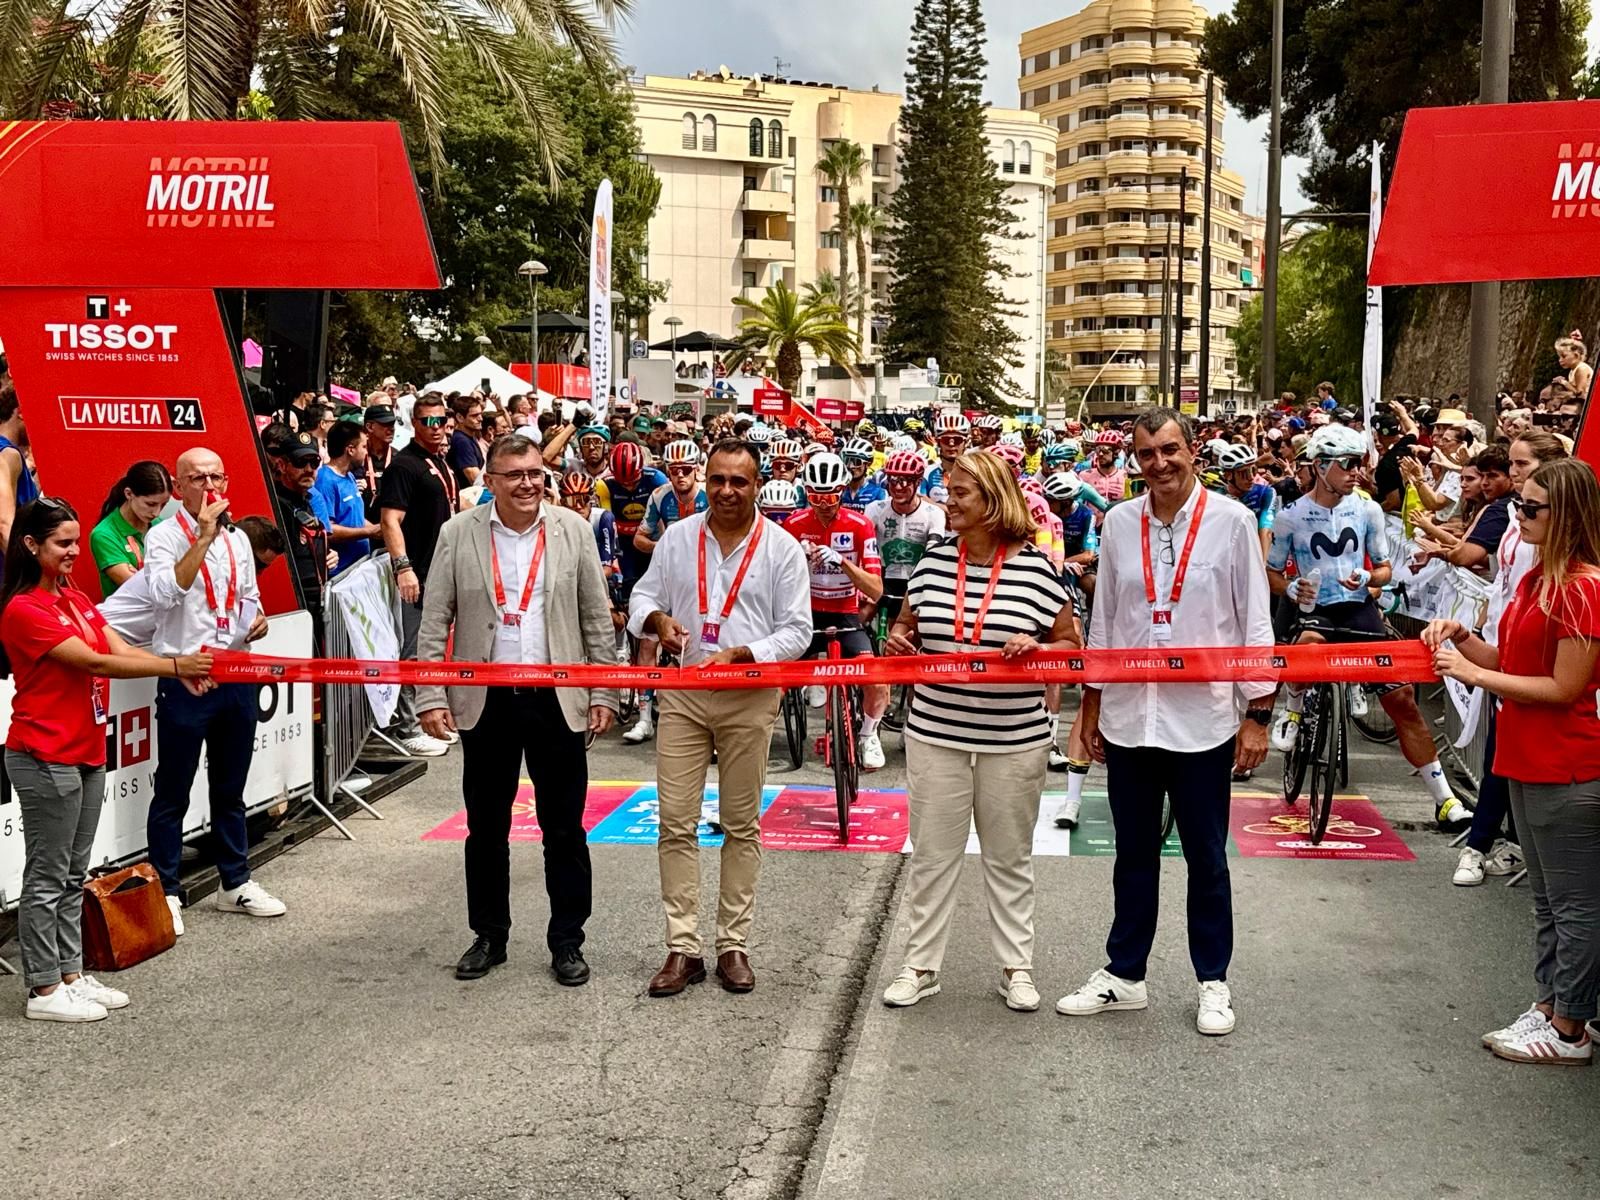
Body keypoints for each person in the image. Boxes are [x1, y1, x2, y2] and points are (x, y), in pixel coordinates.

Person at [1058, 408, 1273, 1038]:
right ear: (1136, 459)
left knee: (1206, 856)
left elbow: (1254, 622)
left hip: (1202, 720)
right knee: (1133, 853)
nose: (1159, 464)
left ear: (1192, 451)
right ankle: (1125, 974)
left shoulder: (1233, 523)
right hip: (1129, 718)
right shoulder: (1119, 523)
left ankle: (1213, 981)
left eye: (1170, 450)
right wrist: (1090, 706)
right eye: (1147, 454)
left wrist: (1257, 714)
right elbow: (1106, 623)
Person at [414, 434, 618, 984]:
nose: (527, 483)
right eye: (514, 475)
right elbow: (435, 621)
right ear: (491, 481)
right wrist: (431, 694)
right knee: (485, 827)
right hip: (487, 702)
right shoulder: (458, 534)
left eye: (534, 473)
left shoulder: (573, 530)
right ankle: (489, 935)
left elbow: (596, 618)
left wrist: (604, 691)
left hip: (557, 699)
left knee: (565, 829)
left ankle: (567, 941)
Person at [0, 498, 213, 1021]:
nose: (76, 552)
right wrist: (175, 664)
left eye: (77, 541)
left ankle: (70, 974)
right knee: (47, 875)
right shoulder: (23, 609)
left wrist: (175, 668)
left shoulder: (73, 597)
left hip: (87, 750)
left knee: (74, 871)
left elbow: (118, 645)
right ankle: (44, 990)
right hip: (44, 753)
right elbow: (95, 661)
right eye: (63, 543)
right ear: (31, 544)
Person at [879, 451, 1077, 1013]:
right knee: (932, 855)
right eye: (949, 490)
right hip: (935, 731)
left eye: (961, 492)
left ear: (992, 499)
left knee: (1008, 856)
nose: (949, 500)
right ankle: (920, 966)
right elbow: (905, 625)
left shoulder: (1039, 568)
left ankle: (1017, 967)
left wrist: (1039, 648)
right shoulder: (934, 560)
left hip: (1014, 738)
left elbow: (1071, 646)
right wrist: (900, 643)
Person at [1427, 458, 1600, 1065]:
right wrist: (1461, 637)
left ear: (1568, 517)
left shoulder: (1582, 588)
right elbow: (1509, 658)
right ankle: (1554, 1004)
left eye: (1531, 508)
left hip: (1567, 764)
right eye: (1519, 505)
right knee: (1549, 901)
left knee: (1574, 904)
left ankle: (1570, 1025)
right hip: (1525, 758)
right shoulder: (1535, 582)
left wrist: (1475, 672)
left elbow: (1563, 688)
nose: (1518, 516)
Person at [627, 439, 812, 998]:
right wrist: (658, 620)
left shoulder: (781, 548)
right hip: (683, 695)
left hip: (749, 695)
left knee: (740, 823)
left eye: (740, 481)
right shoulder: (679, 538)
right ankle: (682, 949)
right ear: (705, 482)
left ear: (758, 485)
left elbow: (797, 631)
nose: (727, 491)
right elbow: (641, 598)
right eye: (718, 481)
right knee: (675, 823)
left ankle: (733, 944)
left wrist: (743, 654)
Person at [1268, 424, 1473, 830]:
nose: (1356, 472)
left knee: (1402, 701)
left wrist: (1368, 580)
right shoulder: (1290, 516)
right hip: (1315, 609)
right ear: (1321, 466)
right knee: (1307, 646)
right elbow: (1271, 571)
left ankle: (1444, 800)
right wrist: (1291, 587)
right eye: (1347, 464)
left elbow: (1382, 569)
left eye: (1359, 463)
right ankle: (1292, 712)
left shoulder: (1368, 509)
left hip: (1357, 608)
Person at [144, 448, 282, 936]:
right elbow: (165, 593)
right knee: (173, 789)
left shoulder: (239, 538)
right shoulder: (163, 537)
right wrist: (202, 537)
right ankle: (166, 888)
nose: (209, 486)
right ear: (179, 486)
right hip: (186, 675)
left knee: (230, 786)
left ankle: (234, 881)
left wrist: (255, 619)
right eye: (197, 478)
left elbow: (247, 595)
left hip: (235, 672)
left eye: (216, 476)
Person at [1451, 431, 1568, 886]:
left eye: (1522, 465)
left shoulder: (1558, 542)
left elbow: (1565, 687)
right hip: (1503, 640)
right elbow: (1503, 580)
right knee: (1502, 753)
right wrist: (1476, 623)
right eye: (1513, 465)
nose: (1512, 474)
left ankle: (1488, 843)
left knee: (1505, 754)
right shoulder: (1516, 518)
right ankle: (1505, 841)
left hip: (1531, 655)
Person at [786, 452, 891, 770]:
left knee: (877, 680)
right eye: (815, 495)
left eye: (830, 494)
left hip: (846, 614)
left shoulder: (860, 525)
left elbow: (875, 589)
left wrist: (843, 562)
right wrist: (797, 565)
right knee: (776, 684)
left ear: (843, 489)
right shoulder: (793, 524)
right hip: (806, 615)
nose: (823, 503)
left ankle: (868, 735)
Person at [379, 393, 459, 757]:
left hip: (442, 569)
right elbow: (389, 520)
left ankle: (434, 717)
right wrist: (404, 567)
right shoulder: (405, 465)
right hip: (419, 571)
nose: (438, 427)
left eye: (442, 420)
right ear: (414, 424)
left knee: (436, 649)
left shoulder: (439, 461)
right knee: (415, 651)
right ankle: (410, 726)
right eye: (429, 421)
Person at [866, 450, 947, 631]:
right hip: (884, 579)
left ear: (918, 482)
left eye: (905, 480)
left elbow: (933, 553)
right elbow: (864, 548)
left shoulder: (933, 514)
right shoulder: (874, 510)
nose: (898, 487)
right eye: (892, 480)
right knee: (861, 616)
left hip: (917, 580)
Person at [90, 461, 170, 596]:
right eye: (150, 504)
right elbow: (139, 589)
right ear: (128, 494)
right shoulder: (104, 535)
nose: (156, 513)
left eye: (163, 505)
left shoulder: (160, 524)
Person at [314, 422, 382, 574]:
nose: (366, 452)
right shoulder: (325, 481)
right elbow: (328, 531)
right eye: (364, 447)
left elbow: (355, 517)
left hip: (360, 567)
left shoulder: (350, 476)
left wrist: (380, 528)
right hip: (341, 573)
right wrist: (369, 532)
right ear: (350, 450)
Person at [0, 376, 41, 551]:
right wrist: (24, 574)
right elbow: (4, 524)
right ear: (21, 412)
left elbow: (22, 504)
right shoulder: (8, 454)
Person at [360, 403, 399, 522]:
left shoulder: (398, 458)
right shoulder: (356, 457)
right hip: (361, 527)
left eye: (392, 424)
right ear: (370, 427)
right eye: (385, 424)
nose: (391, 429)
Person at [448, 395, 487, 488]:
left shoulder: (468, 437)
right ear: (460, 417)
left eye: (480, 414)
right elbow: (475, 479)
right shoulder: (461, 441)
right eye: (474, 415)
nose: (480, 419)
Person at [839, 437, 887, 511]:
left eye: (856, 462)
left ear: (868, 464)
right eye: (847, 460)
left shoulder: (878, 493)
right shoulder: (839, 491)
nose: (850, 466)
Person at [1555, 330, 1593, 402]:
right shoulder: (1573, 370)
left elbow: (1580, 393)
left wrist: (1565, 383)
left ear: (1576, 356)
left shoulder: (1581, 369)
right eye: (1559, 357)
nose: (1560, 360)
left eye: (1564, 356)